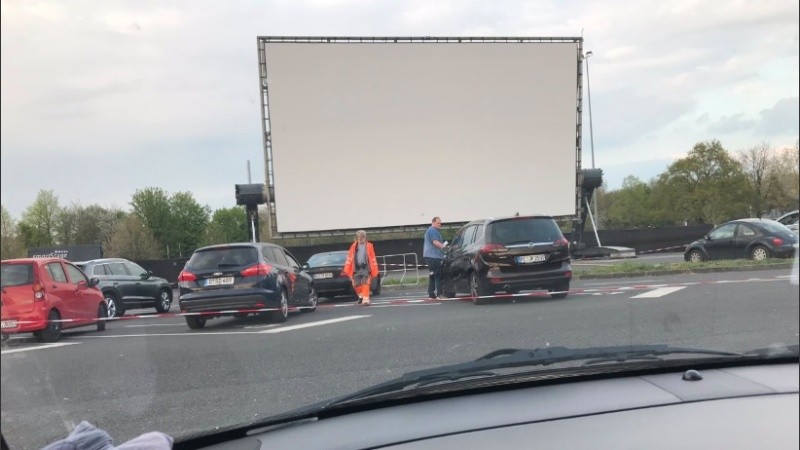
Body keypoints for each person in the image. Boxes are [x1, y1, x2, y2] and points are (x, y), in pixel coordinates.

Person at [341, 230, 379, 306]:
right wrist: (347, 268)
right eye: (359, 237)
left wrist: (373, 268)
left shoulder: (369, 246)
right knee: (356, 285)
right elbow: (350, 257)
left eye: (362, 237)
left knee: (365, 283)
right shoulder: (353, 246)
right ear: (357, 238)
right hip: (356, 269)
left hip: (365, 268)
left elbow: (372, 258)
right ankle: (361, 296)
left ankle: (366, 300)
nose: (361, 239)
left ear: (365, 238)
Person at [423, 216, 447, 299]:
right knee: (438, 275)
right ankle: (440, 294)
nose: (439, 224)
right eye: (438, 223)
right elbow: (435, 242)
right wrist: (444, 247)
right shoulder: (433, 230)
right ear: (433, 222)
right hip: (434, 256)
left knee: (432, 275)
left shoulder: (429, 230)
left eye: (440, 223)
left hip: (429, 256)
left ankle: (431, 293)